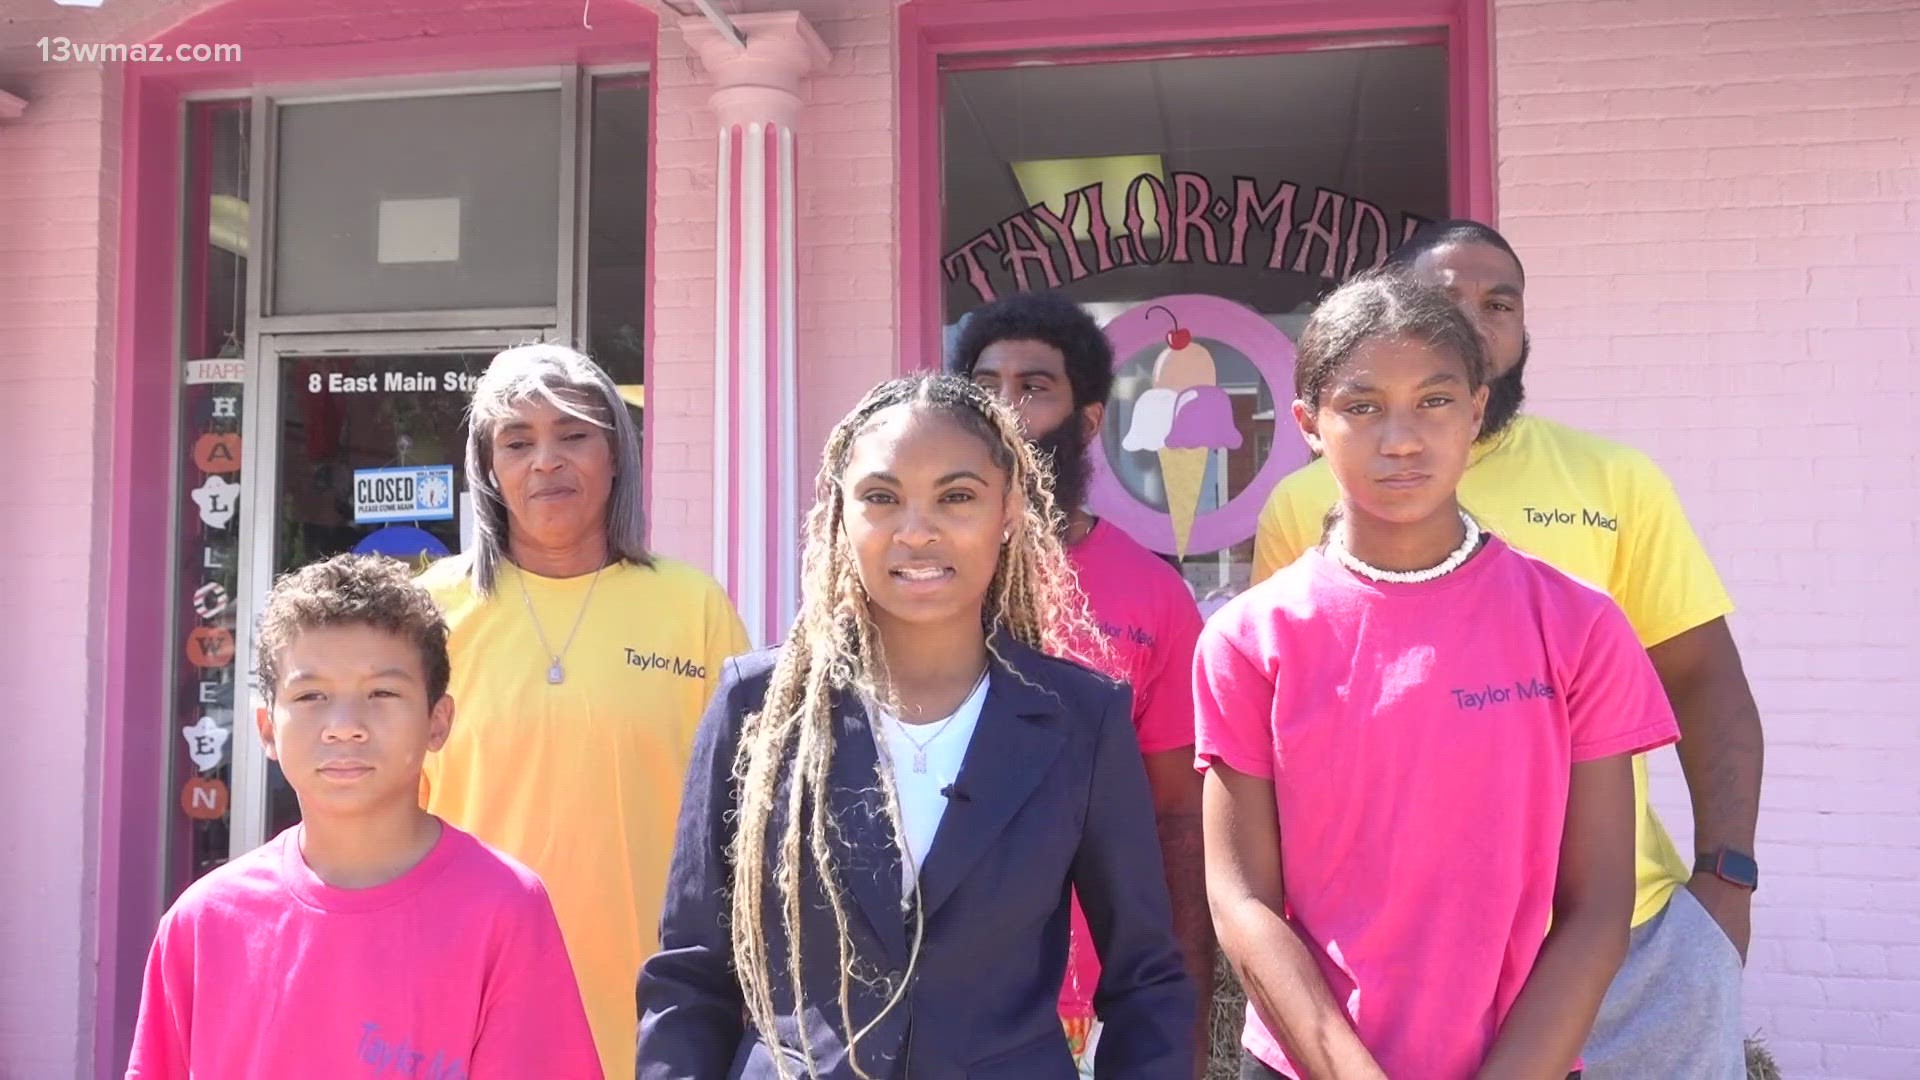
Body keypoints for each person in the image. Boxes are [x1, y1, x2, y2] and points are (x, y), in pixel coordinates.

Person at [1250, 221, 1762, 1078]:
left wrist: (1726, 887)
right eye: (1449, 299)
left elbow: (1707, 682)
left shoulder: (1611, 480)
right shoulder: (1304, 508)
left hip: (1624, 937)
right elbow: (1292, 746)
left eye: (1500, 303)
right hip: (1390, 968)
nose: (1478, 321)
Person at [638, 373, 1194, 1079]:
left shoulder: (1081, 718)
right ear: (842, 514)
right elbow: (690, 976)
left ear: (1010, 510)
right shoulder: (757, 705)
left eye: (957, 497)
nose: (918, 530)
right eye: (881, 498)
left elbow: (1145, 978)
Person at [127, 554, 601, 1079]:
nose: (345, 726)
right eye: (311, 695)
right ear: (266, 729)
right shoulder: (203, 923)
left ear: (437, 721)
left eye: (382, 693)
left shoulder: (504, 909)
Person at [419, 343, 751, 1080]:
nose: (546, 461)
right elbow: (387, 819)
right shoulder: (429, 613)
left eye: (574, 434)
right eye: (518, 442)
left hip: (658, 1017)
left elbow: (745, 822)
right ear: (488, 469)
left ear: (615, 457)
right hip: (464, 1005)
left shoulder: (691, 606)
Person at [950, 290, 1212, 1078]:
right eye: (985, 385)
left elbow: (1177, 819)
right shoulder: (919, 576)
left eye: (1034, 387)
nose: (1004, 407)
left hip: (1097, 1000)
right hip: (937, 990)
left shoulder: (1154, 594)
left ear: (1088, 421)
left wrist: (1183, 1014)